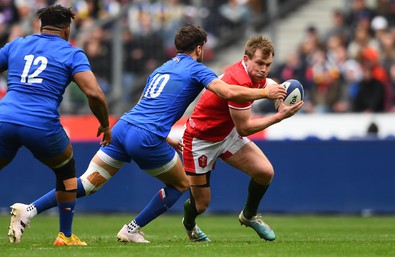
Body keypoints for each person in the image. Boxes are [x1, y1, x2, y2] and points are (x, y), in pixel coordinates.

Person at [8, 24, 288, 244]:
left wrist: (166, 137)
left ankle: (29, 210)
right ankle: (132, 229)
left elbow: (148, 107)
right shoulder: (197, 69)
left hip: (123, 128)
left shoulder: (162, 68)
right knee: (182, 185)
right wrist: (265, 92)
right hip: (145, 137)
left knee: (86, 183)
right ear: (200, 48)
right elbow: (226, 91)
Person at [0, 5, 111, 246]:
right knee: (66, 171)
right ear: (67, 29)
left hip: (5, 119)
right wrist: (104, 124)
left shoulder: (18, 44)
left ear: (41, 25)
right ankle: (65, 236)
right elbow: (95, 94)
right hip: (41, 125)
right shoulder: (72, 53)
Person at [181, 35, 303, 242]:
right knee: (201, 205)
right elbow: (244, 128)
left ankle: (249, 215)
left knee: (264, 172)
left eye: (268, 64)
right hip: (200, 140)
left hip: (226, 134)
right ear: (246, 59)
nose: (264, 69)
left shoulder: (255, 75)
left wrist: (279, 98)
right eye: (259, 63)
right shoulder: (238, 80)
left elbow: (269, 84)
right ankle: (189, 224)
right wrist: (279, 116)